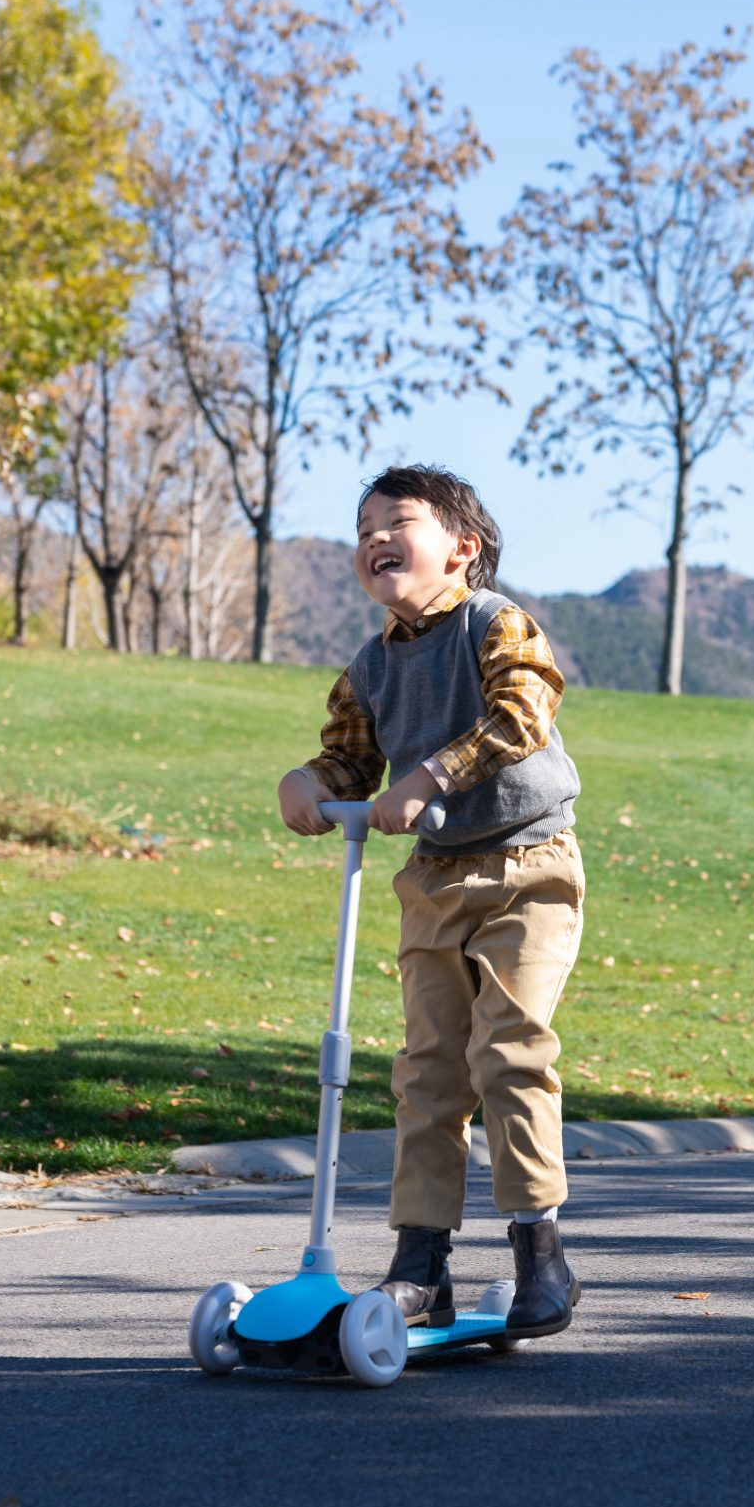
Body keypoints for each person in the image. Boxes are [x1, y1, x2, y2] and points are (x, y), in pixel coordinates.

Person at [276, 464, 586, 1338]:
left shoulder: (497, 623)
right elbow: (349, 761)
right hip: (437, 878)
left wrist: (434, 774)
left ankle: (540, 1253)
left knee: (510, 1052)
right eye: (364, 526)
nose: (376, 537)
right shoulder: (370, 668)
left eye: (398, 522)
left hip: (530, 867)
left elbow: (524, 711)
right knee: (427, 1071)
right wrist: (311, 781)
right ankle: (422, 1266)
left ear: (462, 548)